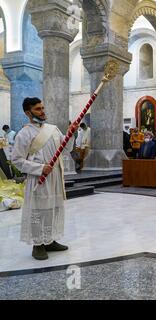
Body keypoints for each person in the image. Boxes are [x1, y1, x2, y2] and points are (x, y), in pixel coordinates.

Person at [11, 97, 77, 261]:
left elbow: (66, 148)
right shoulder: (24, 133)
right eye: (38, 109)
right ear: (28, 113)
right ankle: (38, 245)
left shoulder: (53, 129)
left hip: (54, 177)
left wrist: (70, 133)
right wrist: (40, 168)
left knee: (52, 209)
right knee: (38, 211)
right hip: (39, 178)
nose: (43, 111)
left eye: (43, 108)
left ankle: (49, 240)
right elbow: (17, 160)